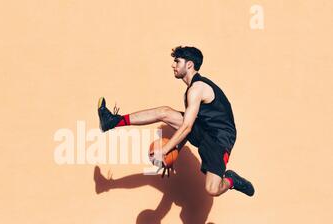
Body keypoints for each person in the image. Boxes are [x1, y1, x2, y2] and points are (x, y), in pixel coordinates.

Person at [97, 46, 254, 197]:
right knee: (164, 112)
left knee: (212, 189)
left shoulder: (197, 89)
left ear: (189, 64)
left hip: (219, 139)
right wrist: (175, 152)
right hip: (204, 130)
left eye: (177, 61)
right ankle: (112, 121)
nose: (173, 65)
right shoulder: (190, 91)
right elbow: (187, 126)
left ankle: (232, 180)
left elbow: (186, 127)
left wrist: (164, 151)